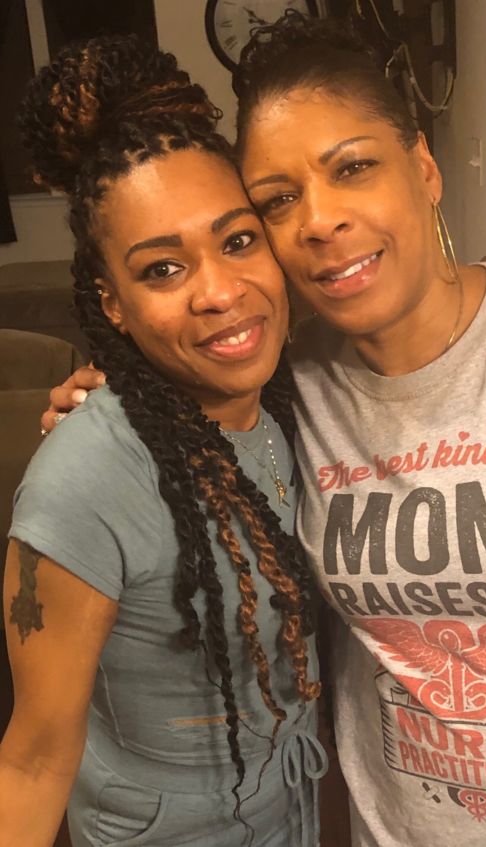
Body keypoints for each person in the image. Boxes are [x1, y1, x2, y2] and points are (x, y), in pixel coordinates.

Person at [41, 13, 486, 847]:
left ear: (423, 167)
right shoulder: (287, 386)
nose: (320, 220)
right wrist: (111, 395)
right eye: (279, 200)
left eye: (352, 167)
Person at [0, 34, 327, 847]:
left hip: (293, 811)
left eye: (237, 240)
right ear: (111, 301)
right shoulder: (84, 481)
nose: (219, 291)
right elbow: (31, 763)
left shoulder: (292, 401)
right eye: (162, 269)